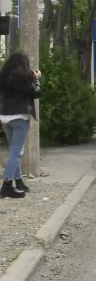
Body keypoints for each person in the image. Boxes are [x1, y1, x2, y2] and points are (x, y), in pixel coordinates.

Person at [0, 52, 41, 199]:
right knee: (17, 152)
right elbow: (36, 93)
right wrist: (37, 79)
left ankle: (18, 182)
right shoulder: (25, 77)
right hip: (20, 118)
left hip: (4, 117)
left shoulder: (4, 76)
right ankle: (6, 186)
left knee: (14, 151)